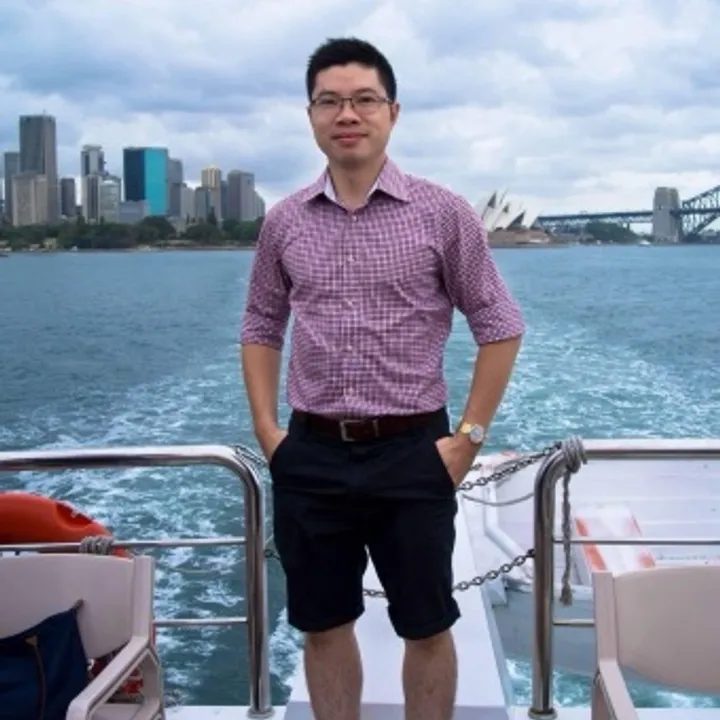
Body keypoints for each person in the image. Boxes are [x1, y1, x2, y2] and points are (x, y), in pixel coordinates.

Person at [240, 36, 525, 720]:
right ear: (311, 116)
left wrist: (468, 439)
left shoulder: (443, 212)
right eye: (330, 101)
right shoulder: (284, 221)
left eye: (364, 99)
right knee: (323, 625)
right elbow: (261, 322)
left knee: (426, 627)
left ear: (392, 112)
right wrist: (269, 432)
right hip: (311, 453)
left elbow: (500, 322)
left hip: (412, 452)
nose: (348, 114)